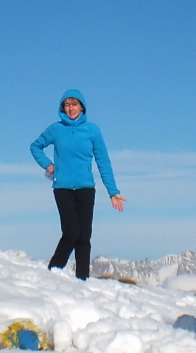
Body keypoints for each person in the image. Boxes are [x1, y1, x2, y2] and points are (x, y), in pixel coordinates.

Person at [30, 89, 125, 279]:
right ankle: (53, 272)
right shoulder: (56, 129)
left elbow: (103, 162)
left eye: (74, 104)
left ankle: (82, 280)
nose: (71, 108)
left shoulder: (92, 131)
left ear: (82, 107)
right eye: (67, 105)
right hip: (62, 188)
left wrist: (113, 191)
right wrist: (48, 165)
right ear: (62, 108)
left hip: (86, 189)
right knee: (71, 232)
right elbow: (35, 146)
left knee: (84, 238)